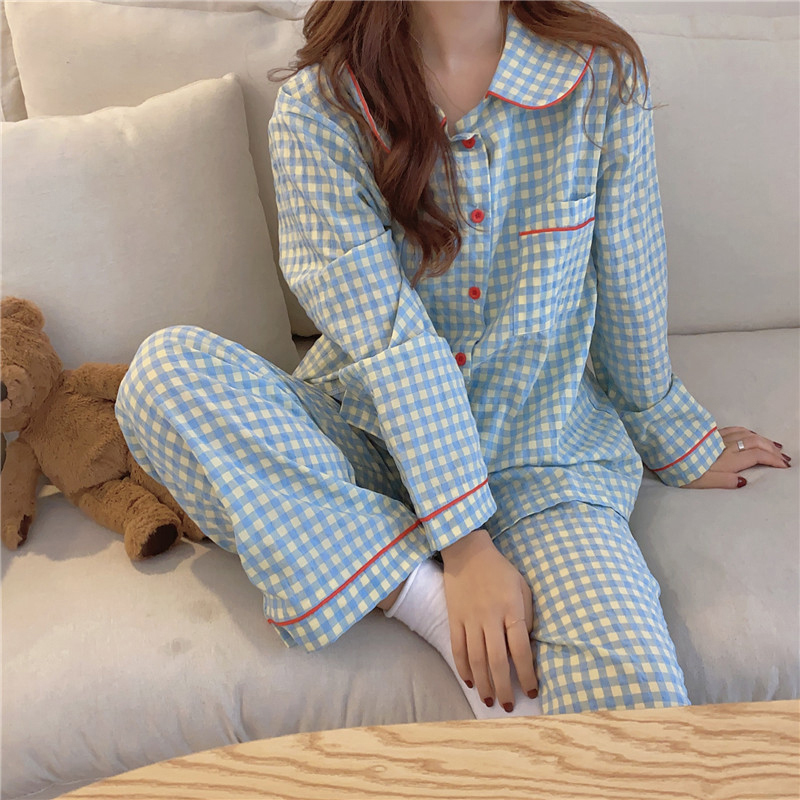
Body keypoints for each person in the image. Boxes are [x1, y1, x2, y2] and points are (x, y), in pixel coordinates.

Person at [115, 0, 791, 719]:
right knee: (163, 373)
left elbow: (631, 279)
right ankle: (419, 598)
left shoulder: (599, 75)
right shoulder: (323, 108)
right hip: (365, 437)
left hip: (539, 459)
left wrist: (672, 434)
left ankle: (366, 556)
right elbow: (388, 339)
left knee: (638, 708)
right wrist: (464, 551)